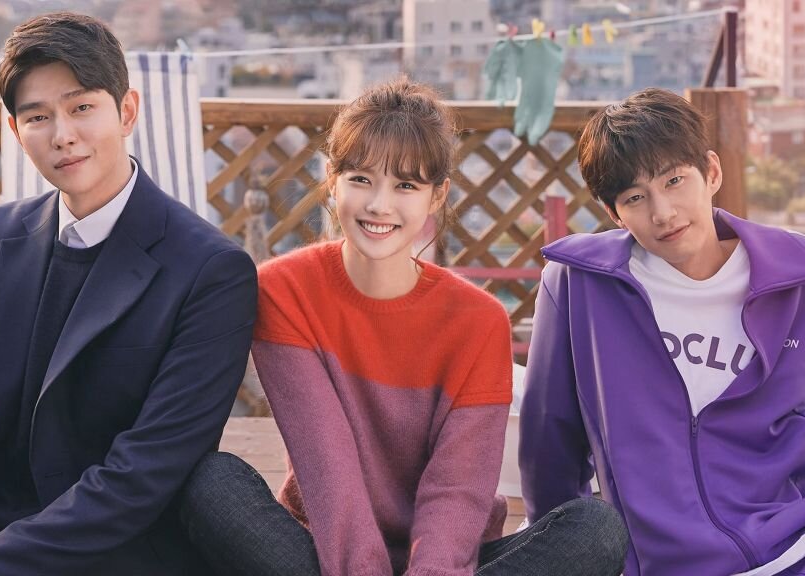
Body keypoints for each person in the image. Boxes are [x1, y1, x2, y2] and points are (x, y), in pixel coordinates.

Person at [0, 12, 257, 576]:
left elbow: (143, 474)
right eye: (38, 117)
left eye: (81, 108)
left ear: (127, 111)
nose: (62, 135)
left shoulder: (211, 270)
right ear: (16, 131)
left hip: (112, 550)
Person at [179, 79, 628, 576]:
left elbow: (457, 487)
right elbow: (327, 465)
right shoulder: (285, 291)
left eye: (406, 186)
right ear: (332, 179)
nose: (380, 205)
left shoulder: (479, 320)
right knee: (213, 480)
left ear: (438, 196)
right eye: (361, 179)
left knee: (596, 528)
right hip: (323, 551)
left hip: (450, 560)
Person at [519, 87, 805, 576]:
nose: (663, 212)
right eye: (635, 197)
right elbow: (550, 447)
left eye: (675, 181)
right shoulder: (576, 285)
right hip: (672, 562)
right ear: (614, 213)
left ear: (711, 172)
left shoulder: (798, 269)